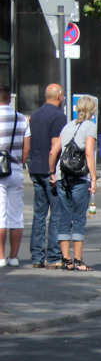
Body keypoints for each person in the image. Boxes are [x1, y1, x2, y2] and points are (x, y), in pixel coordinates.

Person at [48, 94, 98, 271]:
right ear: (93, 110)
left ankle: (66, 260)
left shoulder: (68, 126)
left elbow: (54, 151)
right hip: (79, 177)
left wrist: (52, 172)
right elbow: (89, 153)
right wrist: (93, 177)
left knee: (64, 216)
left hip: (62, 176)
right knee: (78, 218)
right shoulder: (90, 126)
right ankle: (78, 261)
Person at [26, 83, 66, 268]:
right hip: (50, 170)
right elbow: (55, 146)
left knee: (39, 215)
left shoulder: (36, 115)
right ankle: (53, 257)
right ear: (59, 96)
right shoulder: (58, 116)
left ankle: (36, 257)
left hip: (35, 167)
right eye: (63, 95)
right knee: (56, 214)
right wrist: (53, 172)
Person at [0, 83, 31, 267]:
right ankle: (14, 257)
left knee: (0, 215)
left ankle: (1, 257)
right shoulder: (22, 119)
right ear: (9, 99)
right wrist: (20, 162)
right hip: (16, 170)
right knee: (15, 215)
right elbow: (27, 147)